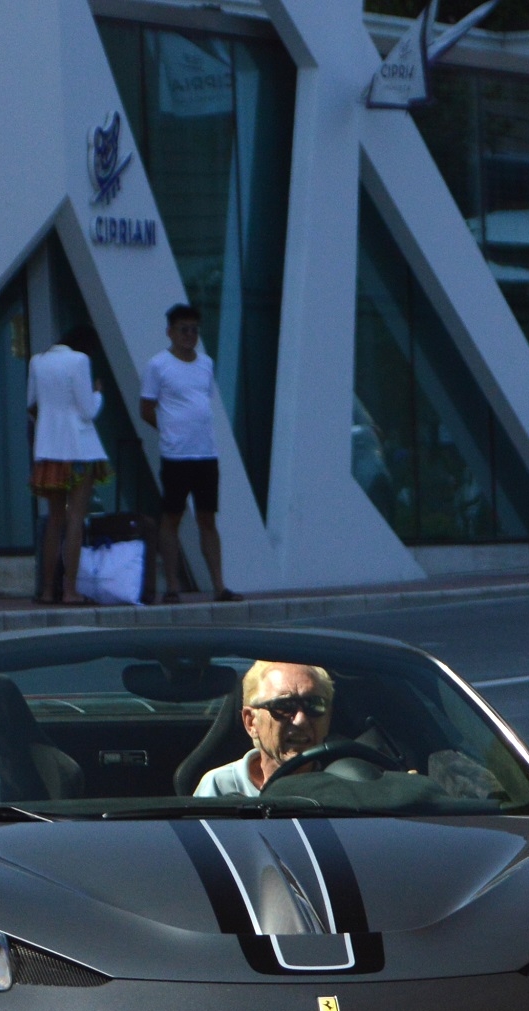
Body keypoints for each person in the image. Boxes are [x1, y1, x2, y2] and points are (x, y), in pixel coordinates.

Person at [139, 302, 239, 603]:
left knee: (208, 518)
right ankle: (172, 585)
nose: (189, 335)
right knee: (172, 517)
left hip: (205, 453)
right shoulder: (158, 365)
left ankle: (219, 586)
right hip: (176, 455)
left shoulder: (205, 364)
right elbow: (146, 408)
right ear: (170, 332)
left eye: (194, 330)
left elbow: (201, 401)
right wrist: (169, 430)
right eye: (183, 330)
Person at [27, 326, 109, 606]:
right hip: (78, 448)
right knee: (75, 518)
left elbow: (31, 403)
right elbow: (88, 410)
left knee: (54, 520)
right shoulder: (79, 361)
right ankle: (70, 589)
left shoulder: (37, 361)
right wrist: (98, 394)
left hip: (48, 449)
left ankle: (48, 589)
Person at [194, 661, 337, 796]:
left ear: (329, 718)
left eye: (315, 705)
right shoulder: (221, 786)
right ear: (251, 721)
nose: (301, 721)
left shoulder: (343, 786)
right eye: (283, 706)